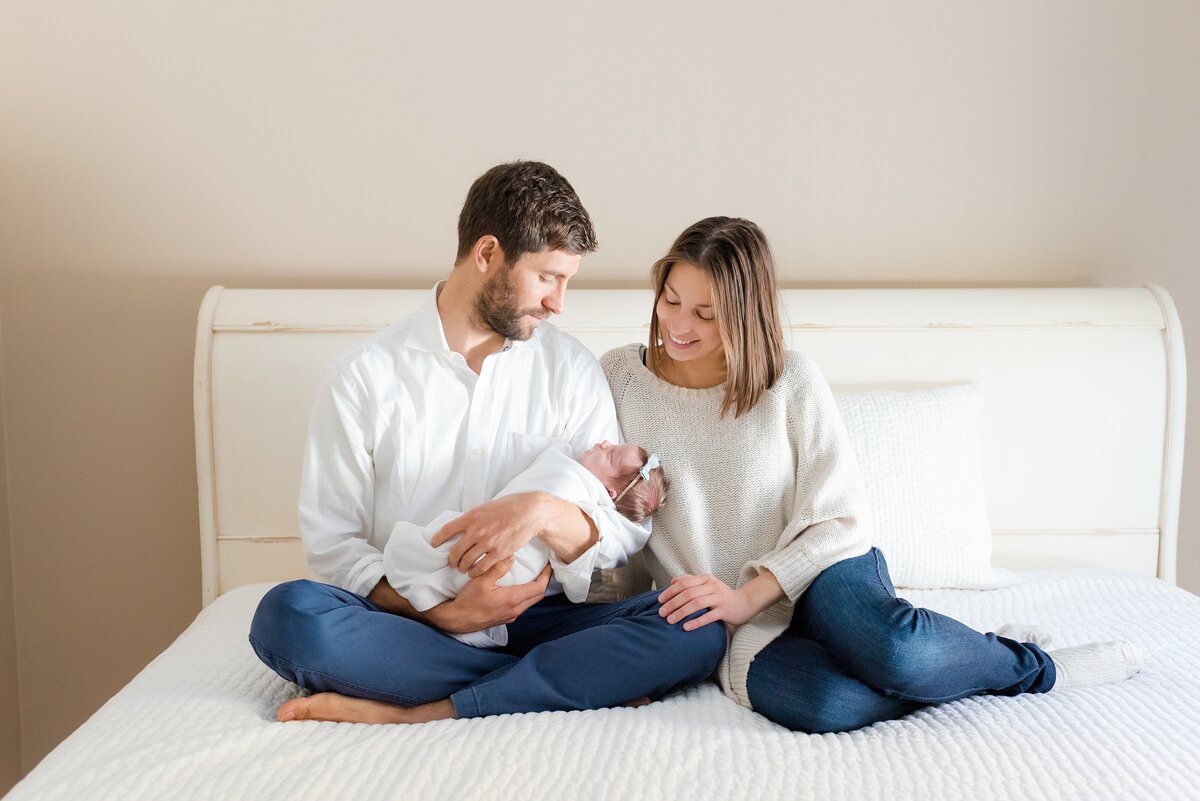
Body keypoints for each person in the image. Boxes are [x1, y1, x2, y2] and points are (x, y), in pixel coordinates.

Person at [598, 216, 1144, 734]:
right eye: (670, 300)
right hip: (731, 625)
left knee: (897, 653)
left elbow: (841, 519)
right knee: (825, 703)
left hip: (822, 577)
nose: (678, 324)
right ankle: (957, 661)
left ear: (743, 313)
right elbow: (610, 523)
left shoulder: (789, 380)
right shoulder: (621, 377)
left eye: (705, 313)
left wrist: (749, 596)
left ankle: (1027, 665)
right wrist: (619, 655)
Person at [247, 161, 724, 725]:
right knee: (288, 616)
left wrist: (542, 511)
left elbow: (619, 531)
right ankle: (551, 681)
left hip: (540, 618)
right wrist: (443, 615)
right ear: (487, 253)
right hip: (411, 622)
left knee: (698, 627)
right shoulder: (363, 377)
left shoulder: (570, 369)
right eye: (547, 277)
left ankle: (425, 708)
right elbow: (334, 546)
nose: (558, 303)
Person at [387, 440, 667, 647]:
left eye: (612, 454)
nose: (604, 443)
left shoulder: (575, 484)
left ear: (608, 492)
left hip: (522, 597)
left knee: (690, 623)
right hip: (407, 601)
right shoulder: (568, 463)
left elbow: (610, 551)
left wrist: (544, 513)